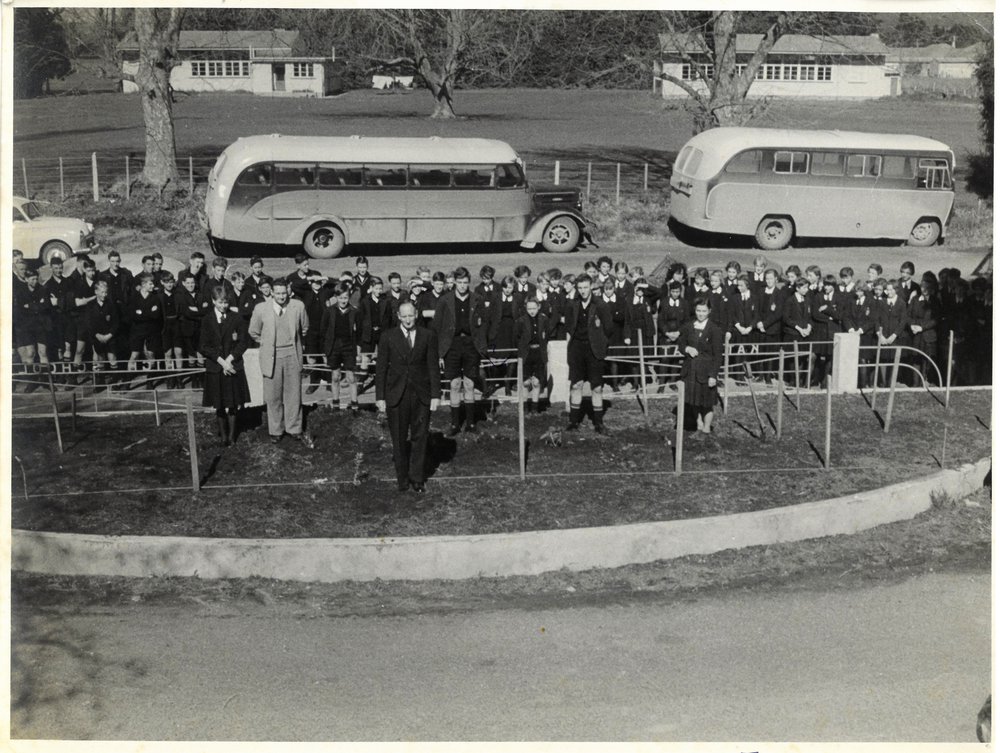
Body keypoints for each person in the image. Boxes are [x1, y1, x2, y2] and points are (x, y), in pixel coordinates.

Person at [375, 301, 441, 493]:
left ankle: (417, 478)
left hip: (421, 395)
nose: (408, 319)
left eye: (411, 315)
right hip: (397, 395)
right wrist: (380, 397)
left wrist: (435, 395)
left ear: (417, 314)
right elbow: (381, 368)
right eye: (404, 316)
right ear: (398, 316)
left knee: (420, 437)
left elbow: (433, 367)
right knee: (399, 438)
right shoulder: (388, 337)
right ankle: (402, 479)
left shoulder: (428, 336)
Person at [248, 278, 313, 447]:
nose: (281, 296)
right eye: (277, 293)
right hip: (272, 357)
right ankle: (276, 430)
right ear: (271, 292)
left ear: (288, 291)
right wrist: (268, 343)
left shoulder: (298, 306)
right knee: (273, 396)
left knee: (293, 394)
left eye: (284, 293)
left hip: (292, 355)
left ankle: (294, 428)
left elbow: (305, 328)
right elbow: (253, 331)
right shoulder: (261, 308)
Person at [433, 267, 494, 434]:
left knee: (469, 384)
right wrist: (439, 352)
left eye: (465, 282)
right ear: (454, 282)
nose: (462, 286)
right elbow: (437, 327)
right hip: (452, 345)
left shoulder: (477, 299)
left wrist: (481, 345)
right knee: (454, 384)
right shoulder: (445, 300)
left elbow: (484, 324)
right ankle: (454, 424)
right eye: (459, 282)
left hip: (470, 345)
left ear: (469, 283)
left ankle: (471, 424)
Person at [199, 286, 250, 447]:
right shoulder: (207, 320)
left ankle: (232, 436)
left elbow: (243, 342)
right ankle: (223, 436)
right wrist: (221, 361)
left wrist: (230, 359)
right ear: (213, 301)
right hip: (216, 367)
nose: (223, 306)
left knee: (233, 402)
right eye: (220, 302)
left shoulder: (236, 318)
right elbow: (204, 346)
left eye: (226, 302)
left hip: (233, 365)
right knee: (219, 403)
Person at [564, 275, 613, 433]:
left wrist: (600, 344)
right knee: (576, 385)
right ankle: (573, 422)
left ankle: (598, 423)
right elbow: (569, 326)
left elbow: (609, 328)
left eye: (585, 287)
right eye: (580, 288)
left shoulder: (600, 305)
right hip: (577, 349)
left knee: (597, 387)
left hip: (594, 350)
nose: (583, 291)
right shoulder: (572, 304)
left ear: (591, 286)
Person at [678, 297, 724, 434]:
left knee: (707, 403)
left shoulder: (714, 329)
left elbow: (718, 355)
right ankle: (698, 423)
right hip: (690, 370)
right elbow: (681, 345)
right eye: (698, 310)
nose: (701, 314)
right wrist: (687, 349)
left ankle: (706, 428)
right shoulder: (688, 326)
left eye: (704, 311)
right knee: (693, 401)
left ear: (709, 311)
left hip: (706, 372)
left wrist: (713, 375)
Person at [320, 281, 361, 410]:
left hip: (349, 347)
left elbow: (359, 333)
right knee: (335, 376)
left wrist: (358, 351)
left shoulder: (354, 312)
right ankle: (336, 403)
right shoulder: (329, 311)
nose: (343, 300)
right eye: (341, 298)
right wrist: (325, 352)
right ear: (336, 297)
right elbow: (323, 332)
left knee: (351, 377)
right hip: (334, 347)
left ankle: (354, 404)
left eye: (346, 298)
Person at [514, 297, 550, 413]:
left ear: (539, 307)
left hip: (539, 353)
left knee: (536, 382)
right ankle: (524, 407)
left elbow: (547, 335)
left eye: (534, 308)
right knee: (525, 382)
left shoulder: (544, 319)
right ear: (526, 308)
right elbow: (517, 337)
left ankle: (535, 407)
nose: (532, 311)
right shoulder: (521, 321)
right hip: (526, 353)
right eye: (529, 309)